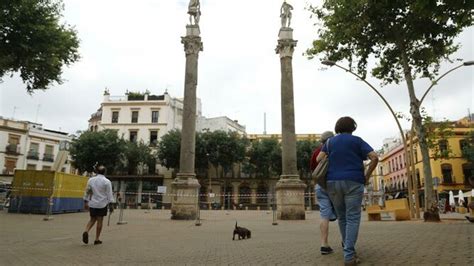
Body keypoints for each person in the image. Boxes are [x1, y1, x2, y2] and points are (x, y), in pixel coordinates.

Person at [317, 117, 378, 266]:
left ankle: (348, 250)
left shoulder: (330, 142)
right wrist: (367, 175)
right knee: (352, 218)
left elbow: (319, 159)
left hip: (332, 182)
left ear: (337, 127)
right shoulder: (357, 141)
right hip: (354, 181)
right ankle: (349, 255)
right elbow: (374, 157)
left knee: (342, 218)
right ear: (353, 127)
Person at [310, 130, 337, 255]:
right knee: (343, 214)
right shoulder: (336, 149)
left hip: (320, 186)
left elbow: (313, 169)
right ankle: (346, 242)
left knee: (324, 215)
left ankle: (324, 245)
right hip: (334, 184)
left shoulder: (316, 151)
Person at [82, 165, 115, 245]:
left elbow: (87, 191)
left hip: (92, 203)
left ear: (96, 172)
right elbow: (109, 194)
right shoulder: (107, 182)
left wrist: (86, 201)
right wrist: (111, 204)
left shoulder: (91, 180)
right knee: (100, 221)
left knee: (92, 219)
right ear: (105, 172)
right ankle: (97, 239)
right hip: (102, 204)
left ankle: (86, 231)